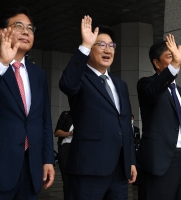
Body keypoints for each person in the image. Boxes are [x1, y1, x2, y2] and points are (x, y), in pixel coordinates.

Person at [0, 7, 55, 199]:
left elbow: (44, 121)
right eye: (19, 26)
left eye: (30, 28)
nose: (26, 31)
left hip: (30, 170)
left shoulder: (38, 74)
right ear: (2, 32)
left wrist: (48, 159)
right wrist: (2, 64)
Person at [59, 15, 137, 199]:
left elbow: (125, 124)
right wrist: (85, 45)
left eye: (111, 45)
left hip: (119, 170)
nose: (107, 49)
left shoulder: (120, 85)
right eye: (101, 45)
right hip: (88, 169)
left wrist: (131, 160)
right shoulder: (81, 78)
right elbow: (67, 84)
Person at [136, 34, 181, 200]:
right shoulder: (146, 84)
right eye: (170, 56)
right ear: (156, 63)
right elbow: (153, 91)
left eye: (177, 57)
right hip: (160, 160)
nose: (176, 60)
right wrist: (174, 66)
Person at [54, 111, 73, 200]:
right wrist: (70, 133)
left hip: (82, 149)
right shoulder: (66, 114)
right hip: (66, 147)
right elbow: (57, 132)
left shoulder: (87, 114)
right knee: (67, 181)